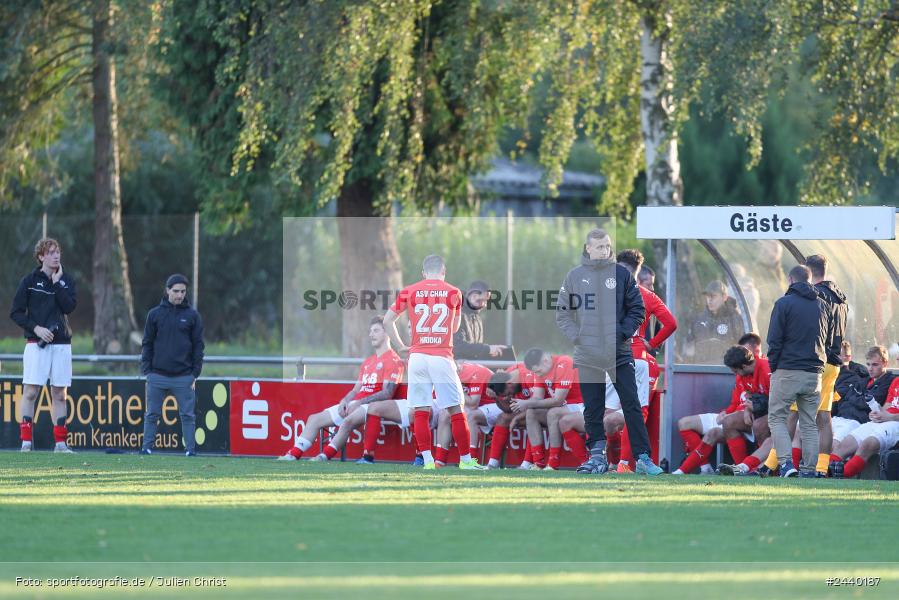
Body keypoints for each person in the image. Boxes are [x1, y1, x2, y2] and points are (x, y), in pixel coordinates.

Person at [555, 228, 662, 475]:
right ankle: (596, 458)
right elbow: (563, 313)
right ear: (588, 248)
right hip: (588, 354)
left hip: (619, 352)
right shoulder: (574, 276)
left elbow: (638, 310)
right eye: (599, 246)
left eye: (607, 246)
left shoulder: (621, 276)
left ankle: (643, 458)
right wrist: (577, 337)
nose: (604, 250)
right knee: (592, 408)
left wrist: (621, 333)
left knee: (632, 405)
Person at [383, 255, 484, 470]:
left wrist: (401, 345)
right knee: (456, 410)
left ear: (423, 273)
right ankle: (466, 461)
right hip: (441, 356)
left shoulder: (409, 290)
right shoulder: (454, 292)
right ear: (443, 271)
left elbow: (387, 320)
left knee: (421, 410)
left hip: (417, 357)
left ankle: (428, 461)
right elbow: (455, 328)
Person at [278, 316, 404, 461]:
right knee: (314, 419)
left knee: (347, 421)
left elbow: (387, 393)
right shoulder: (368, 362)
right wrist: (345, 400)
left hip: (371, 407)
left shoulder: (393, 361)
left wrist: (360, 403)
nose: (371, 334)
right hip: (355, 404)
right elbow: (356, 390)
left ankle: (324, 456)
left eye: (376, 331)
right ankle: (293, 455)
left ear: (387, 332)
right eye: (370, 331)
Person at [9, 238, 77, 453]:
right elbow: (16, 313)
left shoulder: (66, 280)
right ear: (41, 257)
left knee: (59, 395)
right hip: (35, 345)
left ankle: (61, 444)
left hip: (62, 345)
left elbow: (69, 306)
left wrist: (57, 284)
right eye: (51, 252)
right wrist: (36, 328)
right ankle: (26, 443)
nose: (56, 256)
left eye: (58, 252)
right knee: (30, 392)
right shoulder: (28, 281)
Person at [616, 249, 677, 472]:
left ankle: (596, 458)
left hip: (607, 355)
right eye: (649, 283)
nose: (651, 287)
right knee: (637, 411)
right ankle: (624, 462)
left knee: (602, 410)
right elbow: (671, 323)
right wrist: (651, 343)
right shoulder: (647, 296)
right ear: (638, 273)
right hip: (636, 355)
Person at [766, 265, 828, 477]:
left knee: (777, 418)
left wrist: (773, 367)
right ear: (809, 281)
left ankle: (785, 464)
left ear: (791, 280)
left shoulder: (784, 303)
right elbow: (825, 339)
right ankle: (809, 470)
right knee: (809, 423)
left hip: (788, 369)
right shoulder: (822, 305)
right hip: (814, 373)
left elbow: (774, 340)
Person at [674, 344, 770, 474]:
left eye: (735, 371)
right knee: (725, 422)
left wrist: (751, 409)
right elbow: (747, 398)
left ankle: (761, 469)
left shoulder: (766, 368)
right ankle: (740, 469)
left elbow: (778, 398)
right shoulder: (743, 375)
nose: (735, 374)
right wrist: (746, 409)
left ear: (744, 366)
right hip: (747, 414)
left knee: (759, 426)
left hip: (775, 413)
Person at [140, 274, 205, 456]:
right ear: (167, 290)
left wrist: (194, 373)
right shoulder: (154, 314)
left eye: (183, 291)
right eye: (176, 291)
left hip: (184, 376)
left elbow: (198, 346)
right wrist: (147, 371)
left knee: (187, 416)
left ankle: (190, 451)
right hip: (157, 375)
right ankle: (146, 448)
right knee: (152, 414)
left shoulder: (192, 316)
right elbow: (147, 343)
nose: (179, 295)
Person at [800, 254, 848, 476]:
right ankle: (821, 467)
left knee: (793, 416)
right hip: (834, 362)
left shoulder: (816, 295)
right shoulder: (841, 297)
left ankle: (777, 465)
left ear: (808, 271)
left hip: (816, 361)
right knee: (824, 417)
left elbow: (815, 329)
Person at [830, 353, 899, 479]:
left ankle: (840, 475)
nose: (898, 358)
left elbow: (891, 415)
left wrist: (889, 417)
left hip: (895, 423)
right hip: (884, 421)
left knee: (867, 443)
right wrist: (878, 414)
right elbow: (887, 407)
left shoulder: (888, 379)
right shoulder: (896, 381)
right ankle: (826, 474)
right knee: (844, 444)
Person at [685, 280, 744, 364]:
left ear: (724, 297)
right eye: (708, 296)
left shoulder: (735, 320)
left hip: (726, 371)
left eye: (713, 296)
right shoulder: (698, 320)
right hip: (701, 371)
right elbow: (688, 349)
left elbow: (742, 349)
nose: (709, 300)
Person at [453, 280, 509, 360]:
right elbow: (458, 347)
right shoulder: (457, 315)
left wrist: (492, 350)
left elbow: (475, 350)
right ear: (474, 296)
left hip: (474, 365)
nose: (484, 305)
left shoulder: (477, 318)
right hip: (459, 367)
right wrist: (488, 349)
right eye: (483, 300)